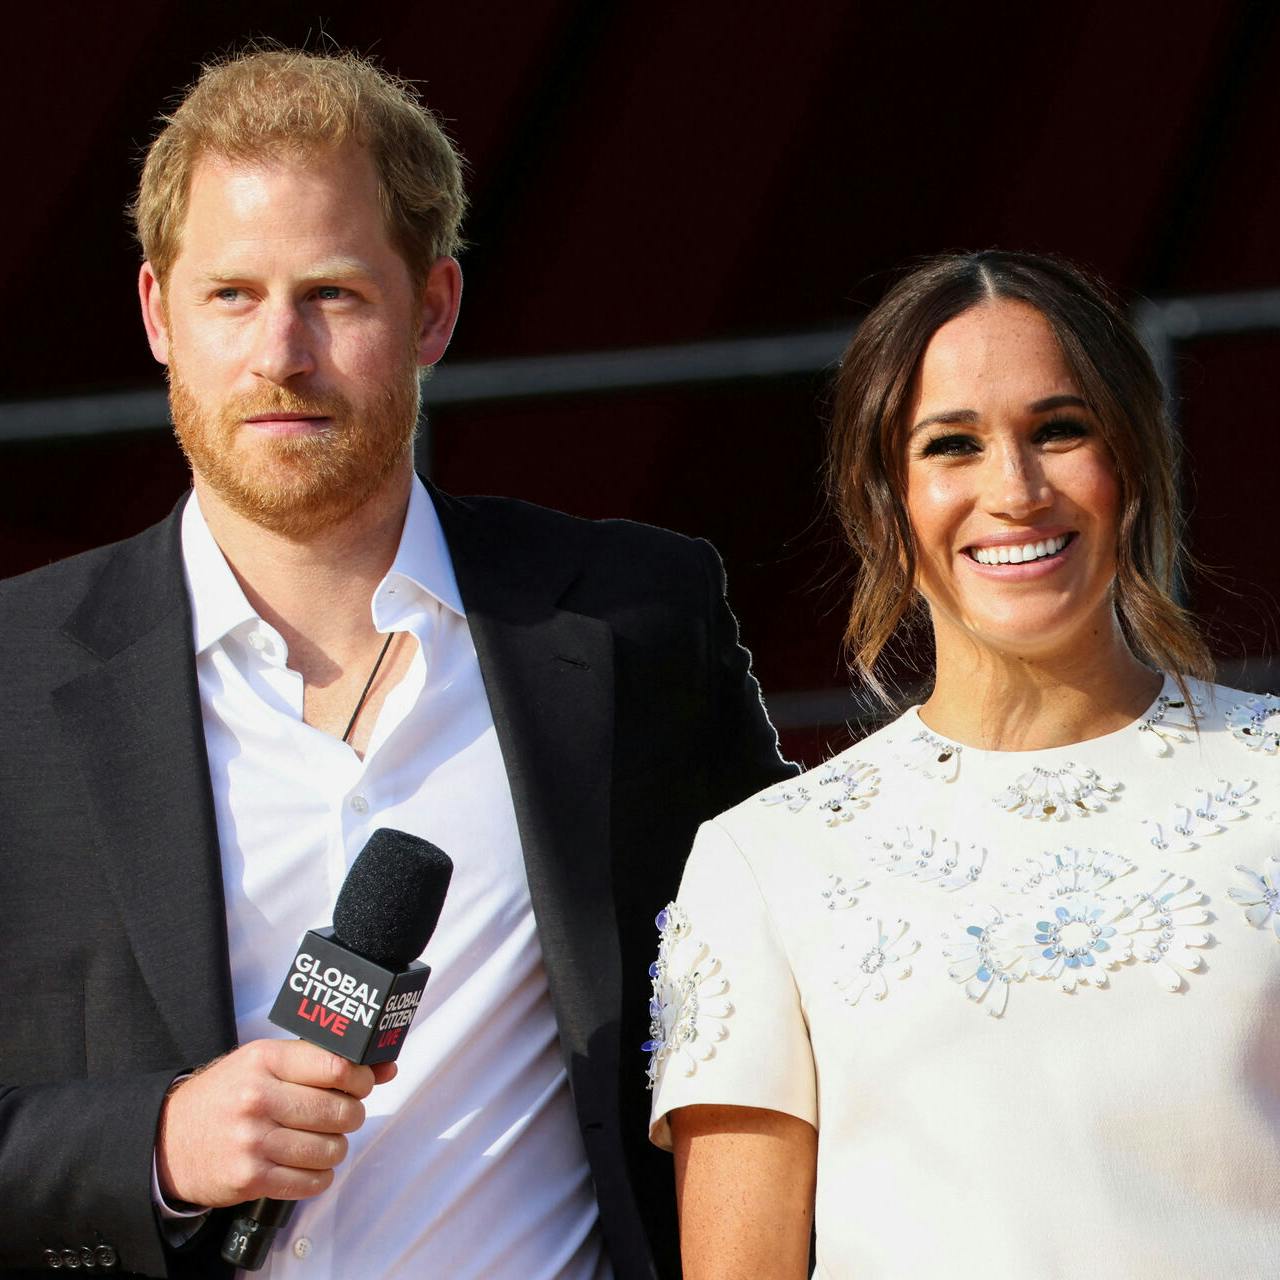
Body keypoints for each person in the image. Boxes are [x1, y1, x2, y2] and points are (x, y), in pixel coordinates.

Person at [0, 48, 794, 1279]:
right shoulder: (13, 677)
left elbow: (803, 969)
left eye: (332, 293)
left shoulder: (632, 621)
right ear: (158, 312)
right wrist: (151, 1142)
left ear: (432, 308)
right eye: (231, 296)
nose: (280, 352)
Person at [646, 250, 1280, 1279]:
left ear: (1129, 461)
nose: (1015, 489)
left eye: (1058, 430)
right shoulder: (766, 861)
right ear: (883, 503)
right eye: (952, 444)